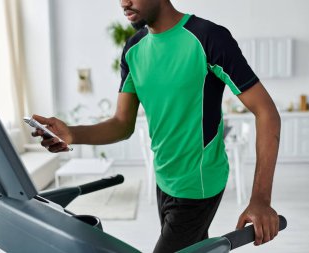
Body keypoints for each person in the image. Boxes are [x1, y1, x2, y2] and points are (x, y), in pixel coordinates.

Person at [32, 0, 281, 252]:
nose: (124, 3)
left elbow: (266, 112)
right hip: (164, 180)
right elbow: (122, 123)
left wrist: (260, 199)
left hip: (199, 183)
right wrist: (71, 133)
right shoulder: (133, 49)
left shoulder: (208, 38)